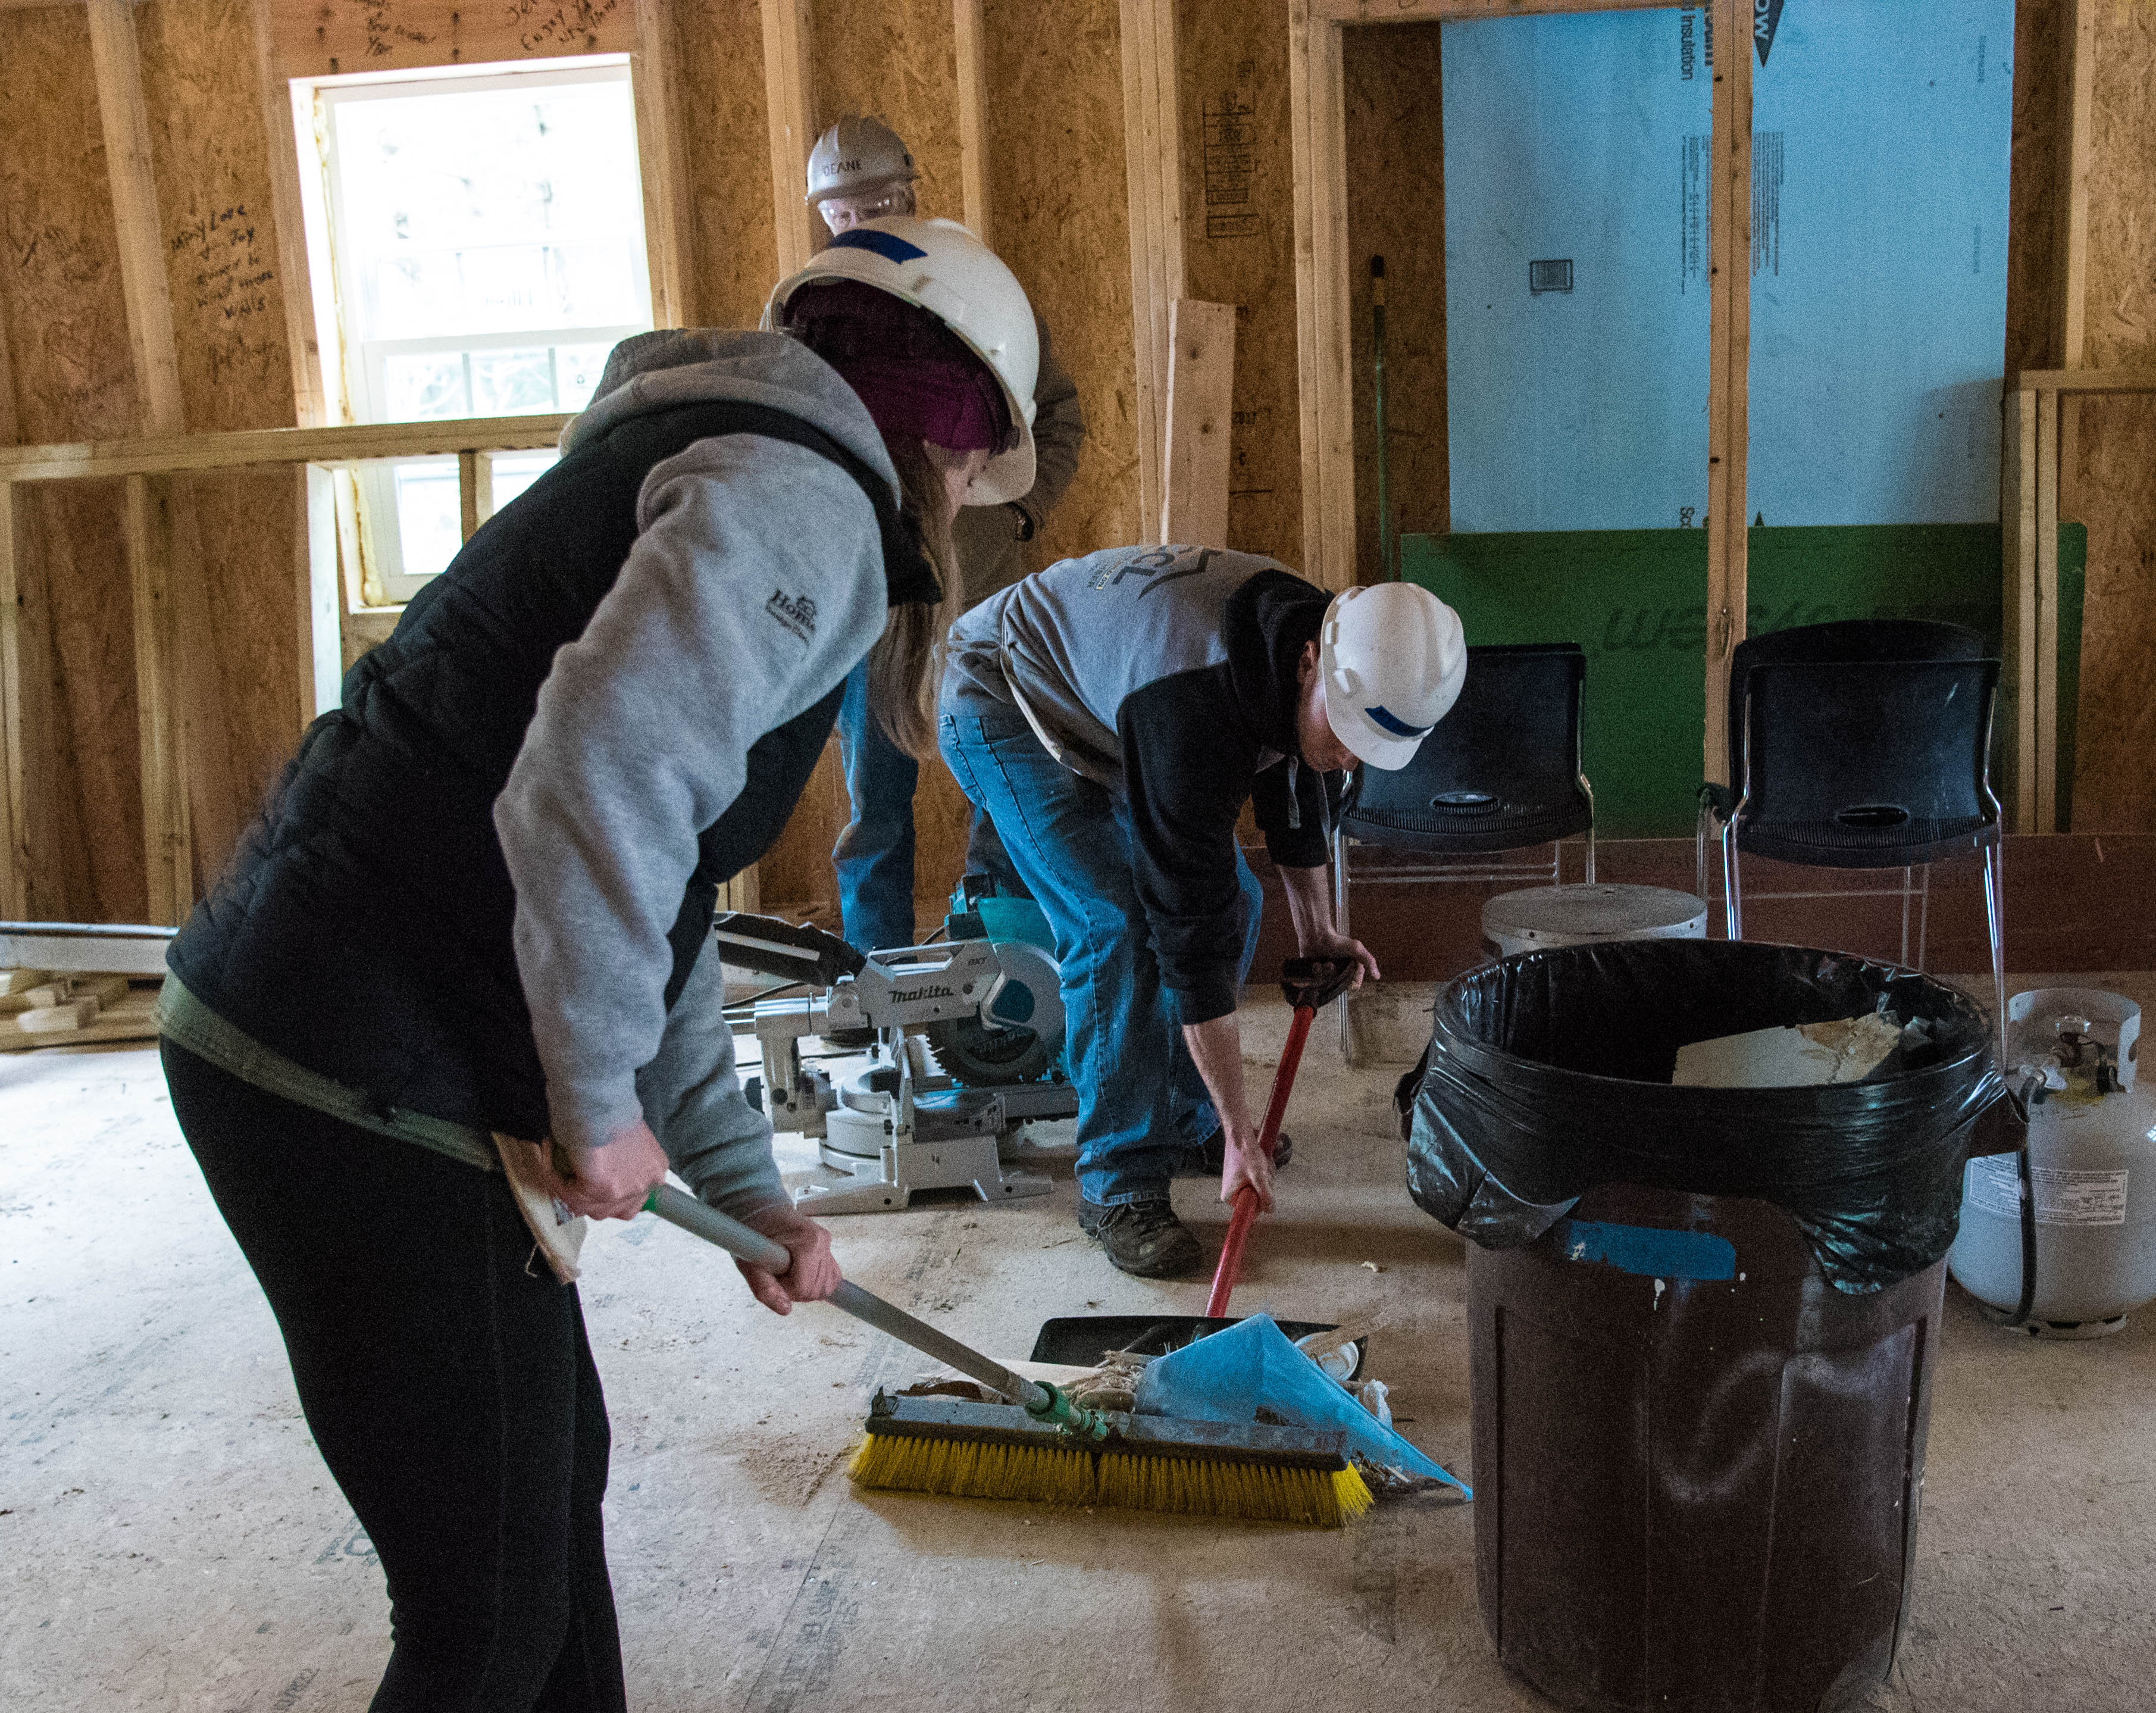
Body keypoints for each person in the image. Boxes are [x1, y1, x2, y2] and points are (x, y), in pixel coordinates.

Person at [156, 215, 1038, 1710]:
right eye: (967, 477)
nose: (957, 509)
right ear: (946, 444)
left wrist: (739, 1177)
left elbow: (659, 877)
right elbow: (594, 782)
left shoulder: (717, 457)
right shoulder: (807, 506)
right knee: (487, 1615)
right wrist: (591, 1094)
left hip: (334, 1028)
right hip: (351, 1067)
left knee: (547, 1513)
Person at [939, 547, 1465, 1277]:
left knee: (1239, 896)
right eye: (1347, 732)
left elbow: (1296, 785)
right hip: (1002, 695)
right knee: (1114, 923)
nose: (1352, 758)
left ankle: (1187, 1121)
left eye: (1371, 748)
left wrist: (1318, 933)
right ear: (1311, 662)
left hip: (1102, 690)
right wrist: (1240, 1124)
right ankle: (1117, 1181)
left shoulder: (1329, 645)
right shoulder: (1193, 704)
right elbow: (1186, 932)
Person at [806, 115, 1087, 956]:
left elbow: (1057, 415)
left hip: (983, 587)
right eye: (841, 213)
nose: (859, 224)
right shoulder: (817, 314)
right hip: (876, 598)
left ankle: (1001, 959)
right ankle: (875, 974)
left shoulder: (974, 293)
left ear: (908, 196)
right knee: (875, 802)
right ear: (823, 215)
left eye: (877, 204)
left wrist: (1017, 514)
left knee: (1002, 782)